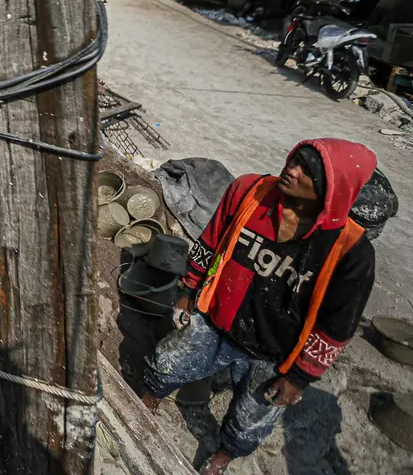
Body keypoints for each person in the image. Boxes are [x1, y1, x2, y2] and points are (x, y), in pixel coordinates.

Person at [141, 139, 377, 475]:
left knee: (250, 419)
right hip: (216, 320)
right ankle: (146, 405)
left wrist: (299, 377)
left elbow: (337, 327)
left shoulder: (352, 252)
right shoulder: (249, 192)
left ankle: (220, 459)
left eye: (307, 171)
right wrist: (188, 290)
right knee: (166, 362)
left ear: (332, 190)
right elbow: (210, 241)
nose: (291, 170)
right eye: (294, 160)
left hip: (277, 354)